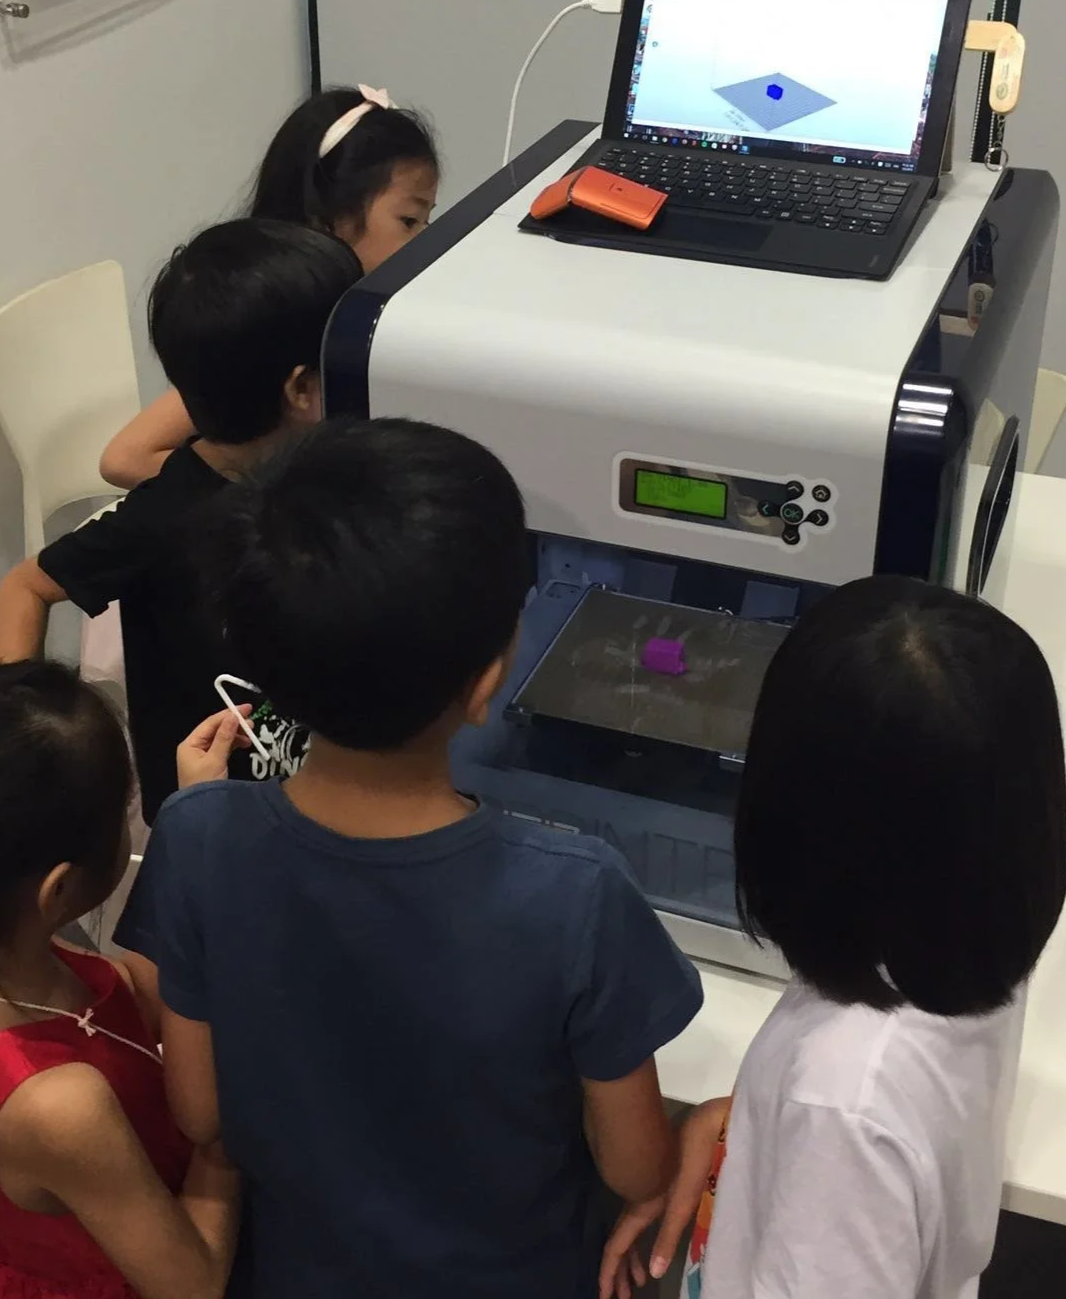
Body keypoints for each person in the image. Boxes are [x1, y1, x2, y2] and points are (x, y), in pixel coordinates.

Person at [115, 417, 704, 1299]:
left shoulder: (198, 835)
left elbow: (203, 1115)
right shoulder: (579, 894)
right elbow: (631, 1169)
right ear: (485, 684)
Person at [600, 576, 1066, 1299]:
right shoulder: (967, 919)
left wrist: (799, 1129)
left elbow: (854, 1123)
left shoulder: (841, 1109)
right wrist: (743, 1127)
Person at [0, 220, 361, 822]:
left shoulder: (322, 470)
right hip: (205, 809)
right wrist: (23, 746)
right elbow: (26, 585)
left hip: (308, 793)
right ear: (301, 387)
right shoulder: (166, 514)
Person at [0, 660, 240, 1299]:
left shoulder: (29, 960)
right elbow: (195, 1282)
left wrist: (191, 814)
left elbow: (133, 995)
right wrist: (225, 1136)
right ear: (59, 888)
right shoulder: (58, 1107)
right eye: (124, 816)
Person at [100, 86, 438, 489]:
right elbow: (124, 458)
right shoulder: (273, 316)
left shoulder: (361, 305)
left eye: (427, 221)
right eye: (409, 221)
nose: (425, 242)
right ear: (328, 216)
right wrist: (275, 492)